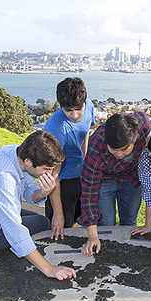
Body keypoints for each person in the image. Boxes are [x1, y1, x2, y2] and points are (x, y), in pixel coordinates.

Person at [0, 131, 76, 280]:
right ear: (29, 161)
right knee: (42, 222)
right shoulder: (4, 177)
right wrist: (49, 269)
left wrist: (44, 193)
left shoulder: (14, 153)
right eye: (45, 169)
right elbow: (15, 231)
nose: (49, 173)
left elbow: (30, 193)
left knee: (35, 219)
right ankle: (4, 259)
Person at [79, 111, 151, 256]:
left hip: (132, 176)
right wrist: (93, 235)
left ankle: (128, 254)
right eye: (113, 150)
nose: (118, 155)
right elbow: (88, 193)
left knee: (130, 220)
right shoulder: (96, 147)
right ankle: (107, 255)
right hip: (106, 179)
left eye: (125, 150)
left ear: (135, 138)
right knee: (106, 223)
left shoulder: (142, 125)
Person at [44, 77, 96, 239]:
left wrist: (86, 159)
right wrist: (58, 214)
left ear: (85, 100)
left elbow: (84, 132)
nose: (74, 115)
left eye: (78, 109)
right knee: (60, 228)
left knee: (77, 219)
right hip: (61, 180)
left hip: (81, 174)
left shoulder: (89, 107)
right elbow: (53, 174)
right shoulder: (55, 129)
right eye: (68, 110)